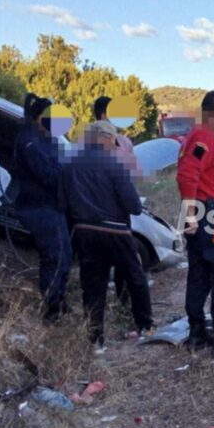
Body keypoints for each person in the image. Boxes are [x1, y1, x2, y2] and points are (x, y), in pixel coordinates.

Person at [61, 121, 154, 353]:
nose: (114, 146)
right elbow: (133, 205)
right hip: (115, 231)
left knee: (93, 286)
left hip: (84, 232)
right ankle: (145, 326)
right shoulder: (114, 164)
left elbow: (62, 200)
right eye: (113, 141)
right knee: (135, 277)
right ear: (104, 139)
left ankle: (96, 340)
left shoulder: (71, 164)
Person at [176, 90, 214, 355]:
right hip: (208, 217)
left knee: (199, 276)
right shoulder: (202, 138)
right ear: (210, 114)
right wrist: (191, 215)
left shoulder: (204, 139)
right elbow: (187, 174)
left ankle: (197, 334)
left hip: (204, 215)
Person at [14, 93, 72, 323]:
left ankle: (59, 300)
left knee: (65, 254)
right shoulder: (29, 141)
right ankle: (51, 310)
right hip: (38, 207)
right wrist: (65, 174)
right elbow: (49, 174)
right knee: (54, 256)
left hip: (51, 206)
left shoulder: (44, 138)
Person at [92, 96, 140, 306]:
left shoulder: (125, 142)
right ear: (104, 115)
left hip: (121, 211)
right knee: (97, 266)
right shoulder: (89, 143)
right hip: (98, 212)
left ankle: (124, 300)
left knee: (126, 263)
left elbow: (131, 173)